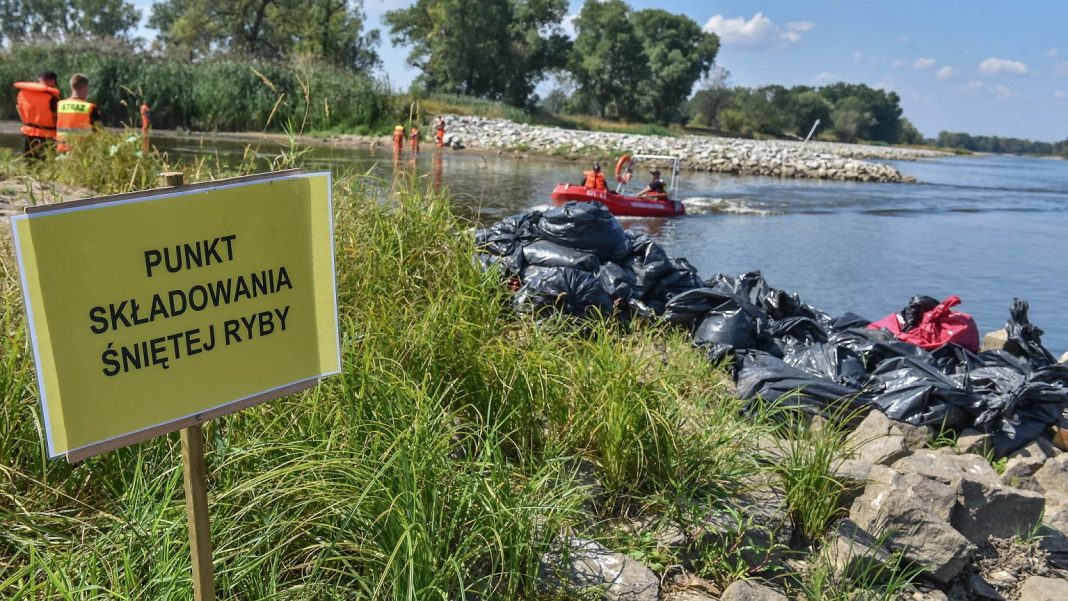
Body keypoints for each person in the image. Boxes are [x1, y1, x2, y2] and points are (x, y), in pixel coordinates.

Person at [13, 70, 61, 158]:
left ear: (38, 80)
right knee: (46, 166)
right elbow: (57, 119)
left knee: (29, 164)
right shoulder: (52, 98)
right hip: (47, 137)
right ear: (52, 81)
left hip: (28, 135)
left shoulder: (22, 93)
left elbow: (20, 111)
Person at [56, 73, 100, 154]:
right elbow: (99, 132)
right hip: (82, 152)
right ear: (85, 88)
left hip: (62, 149)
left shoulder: (59, 105)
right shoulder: (90, 107)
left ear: (71, 87)